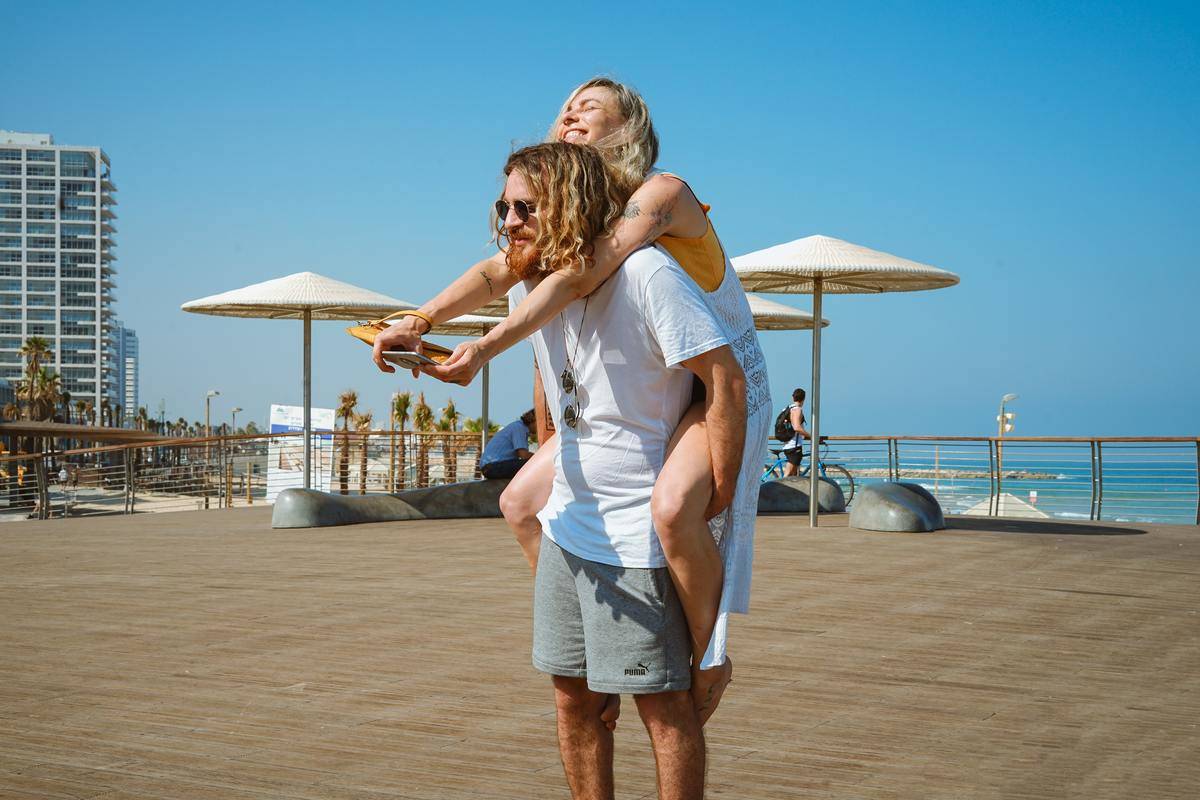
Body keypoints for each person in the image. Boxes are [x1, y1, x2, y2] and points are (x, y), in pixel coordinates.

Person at [370, 77, 771, 724]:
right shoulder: (573, 218)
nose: (570, 114)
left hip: (716, 379)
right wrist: (419, 320)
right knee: (521, 501)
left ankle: (707, 656)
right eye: (564, 109)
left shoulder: (661, 194)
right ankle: (587, 645)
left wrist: (482, 347)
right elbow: (504, 269)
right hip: (639, 389)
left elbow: (580, 272)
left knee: (673, 511)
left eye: (589, 107)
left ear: (629, 129)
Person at [508, 141, 743, 799]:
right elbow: (550, 382)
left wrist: (717, 491)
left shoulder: (647, 275)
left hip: (633, 539)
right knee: (572, 700)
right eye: (501, 207)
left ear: (566, 204)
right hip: (565, 531)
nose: (508, 220)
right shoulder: (534, 289)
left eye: (524, 207)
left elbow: (723, 377)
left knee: (662, 709)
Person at [479, 409, 535, 480]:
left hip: (490, 467)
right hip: (493, 467)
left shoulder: (517, 426)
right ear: (533, 421)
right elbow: (524, 455)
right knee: (535, 464)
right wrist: (542, 456)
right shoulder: (519, 428)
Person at [782, 388, 811, 477]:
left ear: (793, 398)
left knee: (794, 476)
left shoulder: (787, 409)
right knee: (787, 476)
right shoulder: (797, 410)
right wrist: (811, 436)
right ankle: (778, 490)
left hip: (789, 444)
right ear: (803, 399)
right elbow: (797, 427)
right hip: (794, 446)